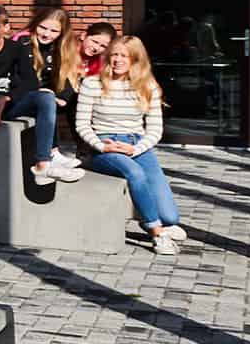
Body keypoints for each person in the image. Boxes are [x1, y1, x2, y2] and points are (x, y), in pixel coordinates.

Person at [0, 4, 73, 221]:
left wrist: (3, 100)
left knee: (45, 97)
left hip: (5, 104)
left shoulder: (16, 49)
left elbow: (28, 82)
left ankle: (43, 163)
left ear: (7, 27)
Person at [76, 35, 189, 255]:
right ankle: (156, 233)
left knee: (171, 217)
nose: (118, 60)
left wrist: (135, 149)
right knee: (134, 172)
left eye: (124, 56)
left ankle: (148, 211)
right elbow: (82, 125)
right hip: (104, 145)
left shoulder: (148, 86)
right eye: (114, 55)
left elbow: (155, 130)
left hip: (136, 144)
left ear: (136, 59)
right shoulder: (91, 83)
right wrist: (101, 146)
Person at [25, 8, 88, 159]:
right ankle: (52, 153)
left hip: (50, 96)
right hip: (27, 96)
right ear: (35, 24)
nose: (47, 34)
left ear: (62, 33)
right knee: (47, 100)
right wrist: (48, 95)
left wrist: (64, 97)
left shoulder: (63, 48)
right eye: (43, 28)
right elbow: (23, 80)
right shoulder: (23, 44)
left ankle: (84, 150)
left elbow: (71, 77)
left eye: (54, 31)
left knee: (78, 98)